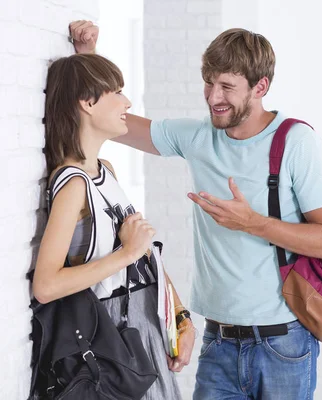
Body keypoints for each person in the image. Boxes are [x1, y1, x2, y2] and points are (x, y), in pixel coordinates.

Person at [68, 21, 322, 400]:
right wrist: (88, 58)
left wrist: (253, 223)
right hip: (218, 343)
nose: (213, 97)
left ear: (260, 87)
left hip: (285, 345)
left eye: (227, 87)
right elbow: (116, 123)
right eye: (209, 83)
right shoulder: (198, 136)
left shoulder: (296, 142)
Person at [33, 53, 195, 399]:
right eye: (116, 92)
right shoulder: (73, 184)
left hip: (145, 324)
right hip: (111, 336)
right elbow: (45, 286)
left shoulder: (106, 170)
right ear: (87, 103)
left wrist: (180, 315)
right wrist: (126, 253)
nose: (127, 101)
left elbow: (144, 253)